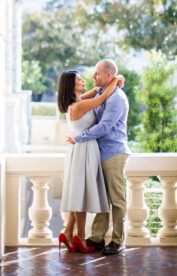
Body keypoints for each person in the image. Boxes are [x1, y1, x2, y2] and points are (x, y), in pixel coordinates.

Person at [67, 59, 131, 255]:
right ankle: (97, 237)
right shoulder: (103, 93)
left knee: (117, 200)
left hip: (113, 152)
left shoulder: (116, 98)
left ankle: (118, 241)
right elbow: (78, 102)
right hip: (98, 153)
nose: (93, 76)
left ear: (108, 76)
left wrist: (78, 137)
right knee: (103, 199)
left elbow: (104, 127)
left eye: (97, 73)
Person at [56, 70, 120, 253]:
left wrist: (106, 82)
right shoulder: (78, 106)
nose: (83, 80)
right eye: (79, 79)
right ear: (71, 85)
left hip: (83, 149)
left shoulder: (78, 101)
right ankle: (80, 238)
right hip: (82, 150)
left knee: (79, 193)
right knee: (80, 196)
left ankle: (68, 233)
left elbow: (95, 91)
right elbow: (103, 96)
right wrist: (115, 78)